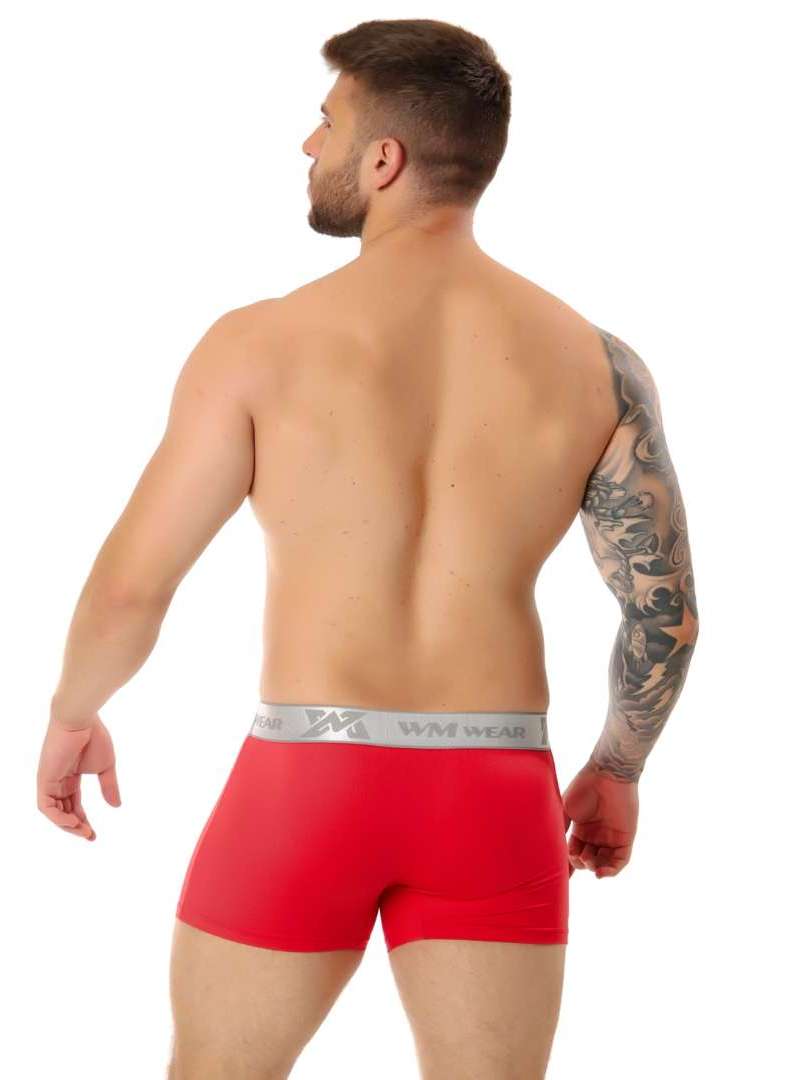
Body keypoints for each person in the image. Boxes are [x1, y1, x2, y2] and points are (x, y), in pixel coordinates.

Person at [36, 17, 699, 1079]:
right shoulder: (595, 362)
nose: (310, 144)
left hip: (306, 785)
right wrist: (618, 768)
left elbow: (131, 588)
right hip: (497, 796)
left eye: (327, 122)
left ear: (383, 159)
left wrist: (74, 713)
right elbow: (664, 614)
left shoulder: (259, 345)